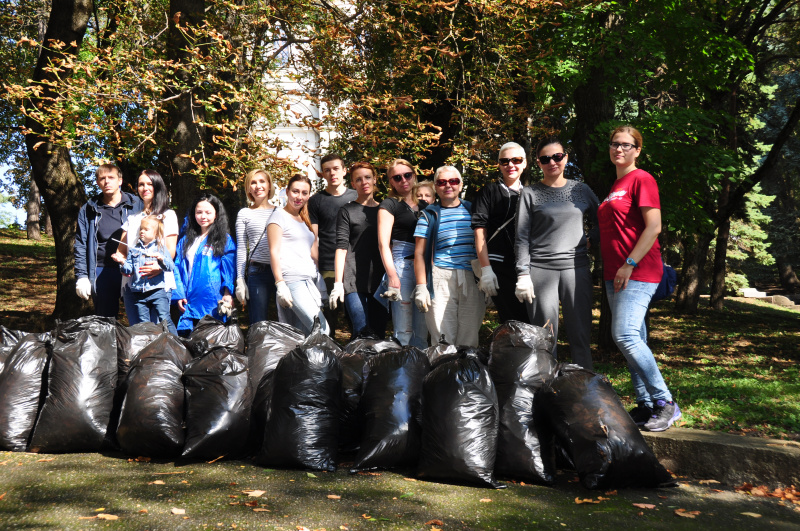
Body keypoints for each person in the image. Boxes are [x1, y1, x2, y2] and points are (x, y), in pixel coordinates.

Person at [598, 124, 680, 432]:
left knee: (625, 335)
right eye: (614, 143)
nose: (619, 149)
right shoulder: (615, 185)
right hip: (615, 272)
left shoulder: (642, 178)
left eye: (626, 145)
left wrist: (629, 263)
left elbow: (654, 226)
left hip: (638, 270)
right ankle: (646, 405)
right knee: (635, 339)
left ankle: (665, 402)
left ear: (637, 150)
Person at [514, 136, 599, 369]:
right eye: (545, 159)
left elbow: (604, 219)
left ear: (566, 158)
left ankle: (584, 382)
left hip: (576, 269)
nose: (552, 162)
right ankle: (545, 383)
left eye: (557, 156)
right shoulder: (530, 193)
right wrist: (523, 273)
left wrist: (592, 239)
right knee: (544, 336)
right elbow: (522, 236)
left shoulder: (581, 190)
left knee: (580, 333)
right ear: (538, 163)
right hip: (540, 271)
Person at [414, 166, 484, 347]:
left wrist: (487, 275)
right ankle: (444, 365)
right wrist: (421, 286)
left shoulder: (473, 210)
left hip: (471, 277)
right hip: (440, 277)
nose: (448, 185)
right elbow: (419, 253)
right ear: (436, 187)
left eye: (453, 181)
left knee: (469, 338)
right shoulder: (429, 215)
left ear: (460, 185)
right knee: (442, 337)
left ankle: (466, 366)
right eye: (442, 182)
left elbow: (484, 243)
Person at [111, 170, 179, 331]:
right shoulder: (132, 218)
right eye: (141, 184)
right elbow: (121, 250)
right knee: (138, 331)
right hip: (133, 285)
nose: (145, 188)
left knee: (159, 330)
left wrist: (158, 267)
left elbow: (171, 250)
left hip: (158, 284)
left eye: (149, 184)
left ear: (157, 186)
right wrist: (123, 262)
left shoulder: (168, 215)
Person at [472, 142, 530, 325]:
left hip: (527, 266)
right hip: (498, 266)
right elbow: (479, 232)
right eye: (505, 161)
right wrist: (486, 269)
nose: (510, 165)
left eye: (516, 160)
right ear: (499, 164)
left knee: (530, 318)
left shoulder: (531, 193)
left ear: (525, 163)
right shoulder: (489, 191)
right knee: (512, 320)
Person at [329, 162, 389, 339]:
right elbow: (341, 248)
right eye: (358, 179)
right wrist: (338, 283)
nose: (364, 182)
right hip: (353, 280)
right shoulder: (347, 211)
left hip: (380, 280)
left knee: (378, 334)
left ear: (375, 179)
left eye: (368, 177)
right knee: (361, 331)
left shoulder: (385, 210)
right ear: (353, 184)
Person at [74, 163, 142, 317]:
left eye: (111, 177)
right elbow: (81, 244)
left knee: (139, 318)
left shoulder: (136, 204)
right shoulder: (89, 209)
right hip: (102, 270)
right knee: (105, 320)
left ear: (120, 181)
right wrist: (82, 276)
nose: (107, 182)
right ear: (98, 183)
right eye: (102, 178)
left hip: (133, 269)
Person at [377, 159, 429, 349]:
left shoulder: (425, 206)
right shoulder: (389, 204)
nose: (403, 180)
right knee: (404, 330)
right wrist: (392, 276)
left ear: (414, 175)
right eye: (397, 177)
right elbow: (383, 244)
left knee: (422, 330)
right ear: (391, 182)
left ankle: (420, 365)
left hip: (424, 268)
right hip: (402, 267)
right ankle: (402, 367)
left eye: (407, 175)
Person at [269, 173, 330, 335]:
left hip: (309, 280)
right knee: (322, 330)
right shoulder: (278, 217)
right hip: (292, 281)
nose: (299, 197)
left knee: (301, 335)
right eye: (295, 191)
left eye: (304, 193)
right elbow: (274, 252)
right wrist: (280, 283)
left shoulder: (303, 219)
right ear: (287, 192)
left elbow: (309, 251)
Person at [307, 154, 357, 335]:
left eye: (336, 169)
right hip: (328, 265)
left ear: (344, 171)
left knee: (355, 316)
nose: (332, 173)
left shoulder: (356, 196)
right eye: (327, 170)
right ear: (322, 174)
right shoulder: (316, 200)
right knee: (329, 319)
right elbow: (313, 238)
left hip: (354, 265)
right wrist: (315, 267)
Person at [172, 194, 236, 336]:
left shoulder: (224, 240)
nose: (203, 216)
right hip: (188, 300)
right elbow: (177, 267)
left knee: (211, 340)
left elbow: (229, 269)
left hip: (211, 301)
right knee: (188, 340)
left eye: (208, 212)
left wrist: (227, 293)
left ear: (216, 214)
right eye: (199, 212)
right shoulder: (185, 240)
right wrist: (179, 294)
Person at [235, 169, 278, 325]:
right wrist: (240, 279)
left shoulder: (280, 212)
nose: (258, 186)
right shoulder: (244, 213)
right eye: (253, 182)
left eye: (262, 181)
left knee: (285, 320)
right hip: (257, 272)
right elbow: (241, 248)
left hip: (281, 271)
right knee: (258, 321)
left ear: (269, 185)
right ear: (248, 188)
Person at [119, 215, 175, 332]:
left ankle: (175, 340)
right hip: (139, 292)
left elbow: (171, 267)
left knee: (165, 319)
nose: (142, 232)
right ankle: (148, 342)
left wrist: (161, 259)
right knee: (144, 323)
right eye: (141, 229)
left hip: (157, 290)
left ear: (156, 233)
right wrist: (122, 262)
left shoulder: (160, 248)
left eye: (146, 229)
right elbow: (128, 270)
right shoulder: (134, 249)